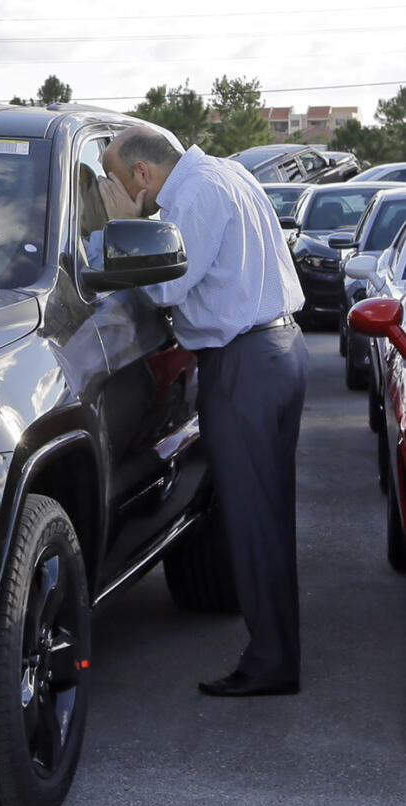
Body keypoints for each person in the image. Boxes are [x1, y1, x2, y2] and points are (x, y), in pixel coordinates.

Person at [98, 127, 309, 698]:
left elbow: (164, 287)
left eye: (115, 185)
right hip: (278, 351)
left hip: (245, 364)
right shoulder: (230, 171)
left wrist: (123, 225)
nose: (111, 195)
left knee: (252, 520)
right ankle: (277, 654)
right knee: (267, 518)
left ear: (142, 174)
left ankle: (271, 663)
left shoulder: (193, 196)